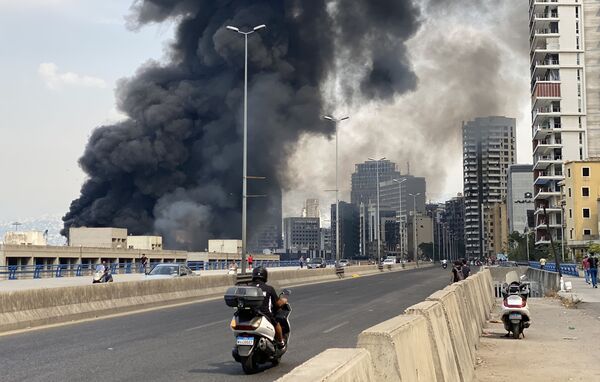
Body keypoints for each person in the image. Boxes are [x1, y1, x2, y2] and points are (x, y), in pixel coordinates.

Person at [251, 266, 287, 347]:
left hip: (249, 314)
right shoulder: (269, 289)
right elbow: (277, 304)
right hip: (265, 314)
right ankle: (281, 342)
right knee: (277, 324)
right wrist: (284, 301)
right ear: (265, 276)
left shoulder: (247, 287)